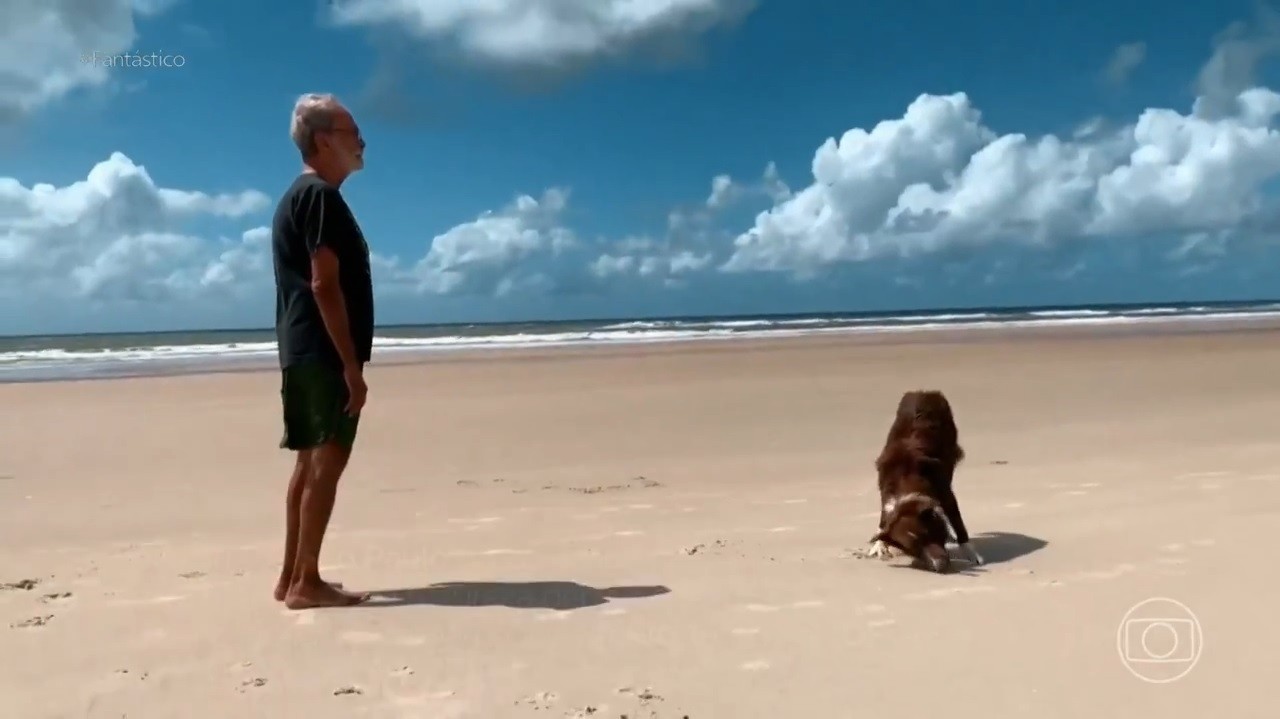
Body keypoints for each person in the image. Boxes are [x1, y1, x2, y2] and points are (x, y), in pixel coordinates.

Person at [270, 93, 375, 609]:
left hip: (303, 348)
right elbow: (323, 284)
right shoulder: (319, 198)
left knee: (308, 465)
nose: (362, 140)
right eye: (352, 130)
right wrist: (352, 366)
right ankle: (305, 582)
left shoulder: (304, 196)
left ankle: (292, 576)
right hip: (323, 352)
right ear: (323, 139)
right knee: (326, 463)